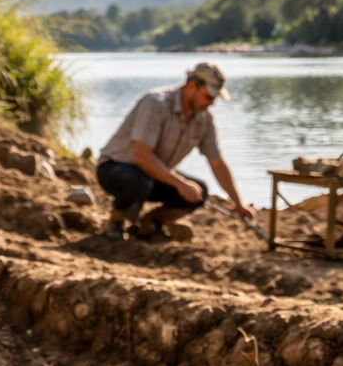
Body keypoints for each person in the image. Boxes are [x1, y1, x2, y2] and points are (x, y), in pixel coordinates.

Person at [96, 62, 254, 241]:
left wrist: (239, 204)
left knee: (199, 191)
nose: (212, 103)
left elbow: (217, 163)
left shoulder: (205, 120)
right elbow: (141, 156)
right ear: (192, 85)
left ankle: (151, 222)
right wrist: (180, 183)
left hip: (153, 175)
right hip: (116, 168)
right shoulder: (155, 103)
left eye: (214, 98)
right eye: (208, 96)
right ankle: (116, 222)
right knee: (139, 182)